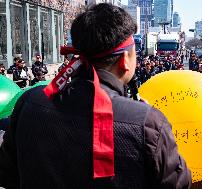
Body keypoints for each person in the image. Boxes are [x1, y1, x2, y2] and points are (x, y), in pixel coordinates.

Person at [0, 4, 191, 189]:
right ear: (125, 60)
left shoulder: (29, 102)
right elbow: (178, 183)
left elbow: (7, 173)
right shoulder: (147, 122)